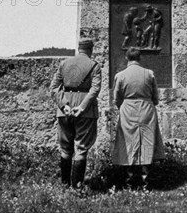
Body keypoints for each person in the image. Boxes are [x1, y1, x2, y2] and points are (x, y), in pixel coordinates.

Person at [50, 38, 101, 188]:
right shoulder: (94, 66)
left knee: (65, 149)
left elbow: (54, 88)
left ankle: (64, 185)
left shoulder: (64, 64)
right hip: (85, 113)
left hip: (64, 111)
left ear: (79, 49)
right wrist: (83, 106)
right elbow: (95, 89)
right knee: (81, 148)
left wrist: (64, 105)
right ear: (90, 50)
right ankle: (77, 187)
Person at [112, 47, 165, 186]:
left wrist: (122, 107)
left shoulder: (120, 75)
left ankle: (130, 180)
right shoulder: (149, 74)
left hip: (128, 110)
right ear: (140, 58)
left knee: (128, 143)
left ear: (126, 58)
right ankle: (145, 180)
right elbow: (156, 98)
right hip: (147, 110)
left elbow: (116, 98)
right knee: (147, 142)